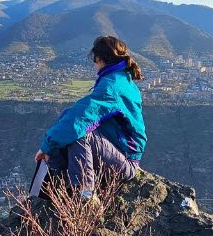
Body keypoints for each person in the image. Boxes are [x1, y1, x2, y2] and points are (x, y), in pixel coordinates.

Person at [35, 36, 147, 199]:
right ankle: (59, 180)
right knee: (68, 118)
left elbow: (79, 119)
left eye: (94, 59)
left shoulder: (112, 87)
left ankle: (85, 194)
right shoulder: (121, 78)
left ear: (99, 58)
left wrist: (47, 145)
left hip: (126, 163)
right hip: (118, 153)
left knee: (80, 133)